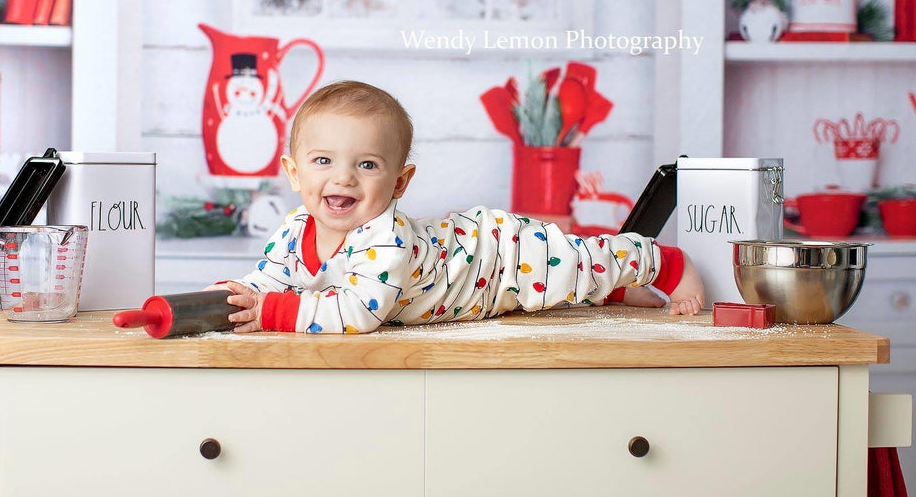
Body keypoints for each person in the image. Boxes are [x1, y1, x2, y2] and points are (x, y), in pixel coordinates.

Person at [210, 80, 705, 334]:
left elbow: (358, 312)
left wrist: (274, 312)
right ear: (295, 173)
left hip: (490, 257)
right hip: (460, 261)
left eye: (366, 164)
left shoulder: (386, 238)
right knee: (573, 285)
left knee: (577, 262)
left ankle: (659, 263)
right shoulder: (295, 228)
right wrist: (235, 296)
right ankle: (614, 292)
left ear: (400, 182)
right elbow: (271, 279)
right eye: (323, 161)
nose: (342, 177)